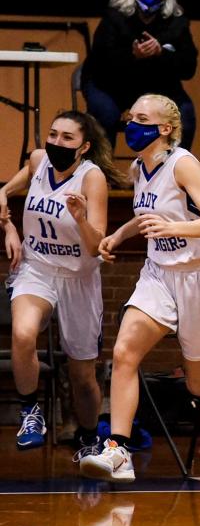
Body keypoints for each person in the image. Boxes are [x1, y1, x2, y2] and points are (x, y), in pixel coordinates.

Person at [79, 94, 200, 483]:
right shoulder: (136, 168)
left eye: (142, 118)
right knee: (125, 351)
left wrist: (174, 228)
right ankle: (118, 450)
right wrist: (119, 234)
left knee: (199, 381)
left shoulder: (183, 163)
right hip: (159, 274)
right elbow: (147, 217)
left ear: (165, 128)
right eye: (130, 117)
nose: (131, 123)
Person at [0, 111, 121, 456]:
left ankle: (87, 437)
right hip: (37, 269)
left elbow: (96, 245)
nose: (56, 142)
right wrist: (7, 213)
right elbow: (12, 185)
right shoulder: (39, 160)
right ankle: (30, 411)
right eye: (53, 134)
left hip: (78, 278)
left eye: (67, 138)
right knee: (23, 333)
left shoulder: (91, 178)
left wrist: (81, 219)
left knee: (82, 377)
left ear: (83, 146)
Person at [82, 0, 198, 150]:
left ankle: (174, 173)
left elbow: (189, 68)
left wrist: (161, 53)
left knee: (185, 114)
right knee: (105, 115)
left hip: (157, 85)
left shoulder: (177, 22)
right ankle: (100, 173)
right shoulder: (114, 16)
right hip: (109, 84)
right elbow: (100, 61)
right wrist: (133, 55)